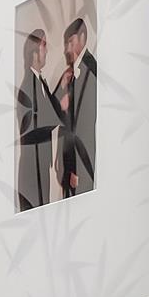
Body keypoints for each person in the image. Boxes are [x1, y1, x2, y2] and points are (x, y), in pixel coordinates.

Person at [50, 17, 97, 197]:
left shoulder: (90, 71)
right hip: (71, 165)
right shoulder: (74, 72)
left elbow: (86, 126)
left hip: (80, 168)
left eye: (70, 42)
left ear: (83, 37)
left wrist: (78, 169)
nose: (67, 49)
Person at [14, 27, 60, 208]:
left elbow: (47, 110)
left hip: (39, 166)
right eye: (44, 45)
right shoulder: (27, 87)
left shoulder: (40, 82)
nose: (47, 50)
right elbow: (38, 125)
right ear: (34, 51)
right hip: (32, 170)